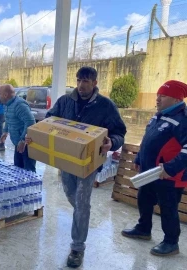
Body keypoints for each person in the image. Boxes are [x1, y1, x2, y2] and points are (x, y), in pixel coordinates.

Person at [26, 67, 127, 268]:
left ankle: (77, 248)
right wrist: (35, 136)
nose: (81, 85)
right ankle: (82, 214)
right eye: (79, 80)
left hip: (89, 164)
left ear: (95, 83)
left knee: (81, 202)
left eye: (86, 81)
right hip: (66, 162)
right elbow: (48, 123)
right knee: (72, 195)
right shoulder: (65, 101)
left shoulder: (105, 106)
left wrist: (111, 143)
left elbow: (119, 132)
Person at [121, 80, 187, 257]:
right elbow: (147, 139)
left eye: (162, 96)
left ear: (175, 98)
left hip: (169, 175)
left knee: (168, 207)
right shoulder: (159, 115)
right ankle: (144, 229)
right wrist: (139, 158)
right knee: (144, 198)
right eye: (157, 95)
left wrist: (171, 168)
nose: (157, 99)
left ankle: (171, 242)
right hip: (150, 171)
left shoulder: (183, 119)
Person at [0, 84, 36, 172]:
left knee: (29, 172)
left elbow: (31, 122)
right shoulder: (7, 105)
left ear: (5, 95)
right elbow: (8, 118)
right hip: (17, 143)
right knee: (18, 170)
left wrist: (23, 140)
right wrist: (5, 131)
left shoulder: (19, 105)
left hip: (27, 144)